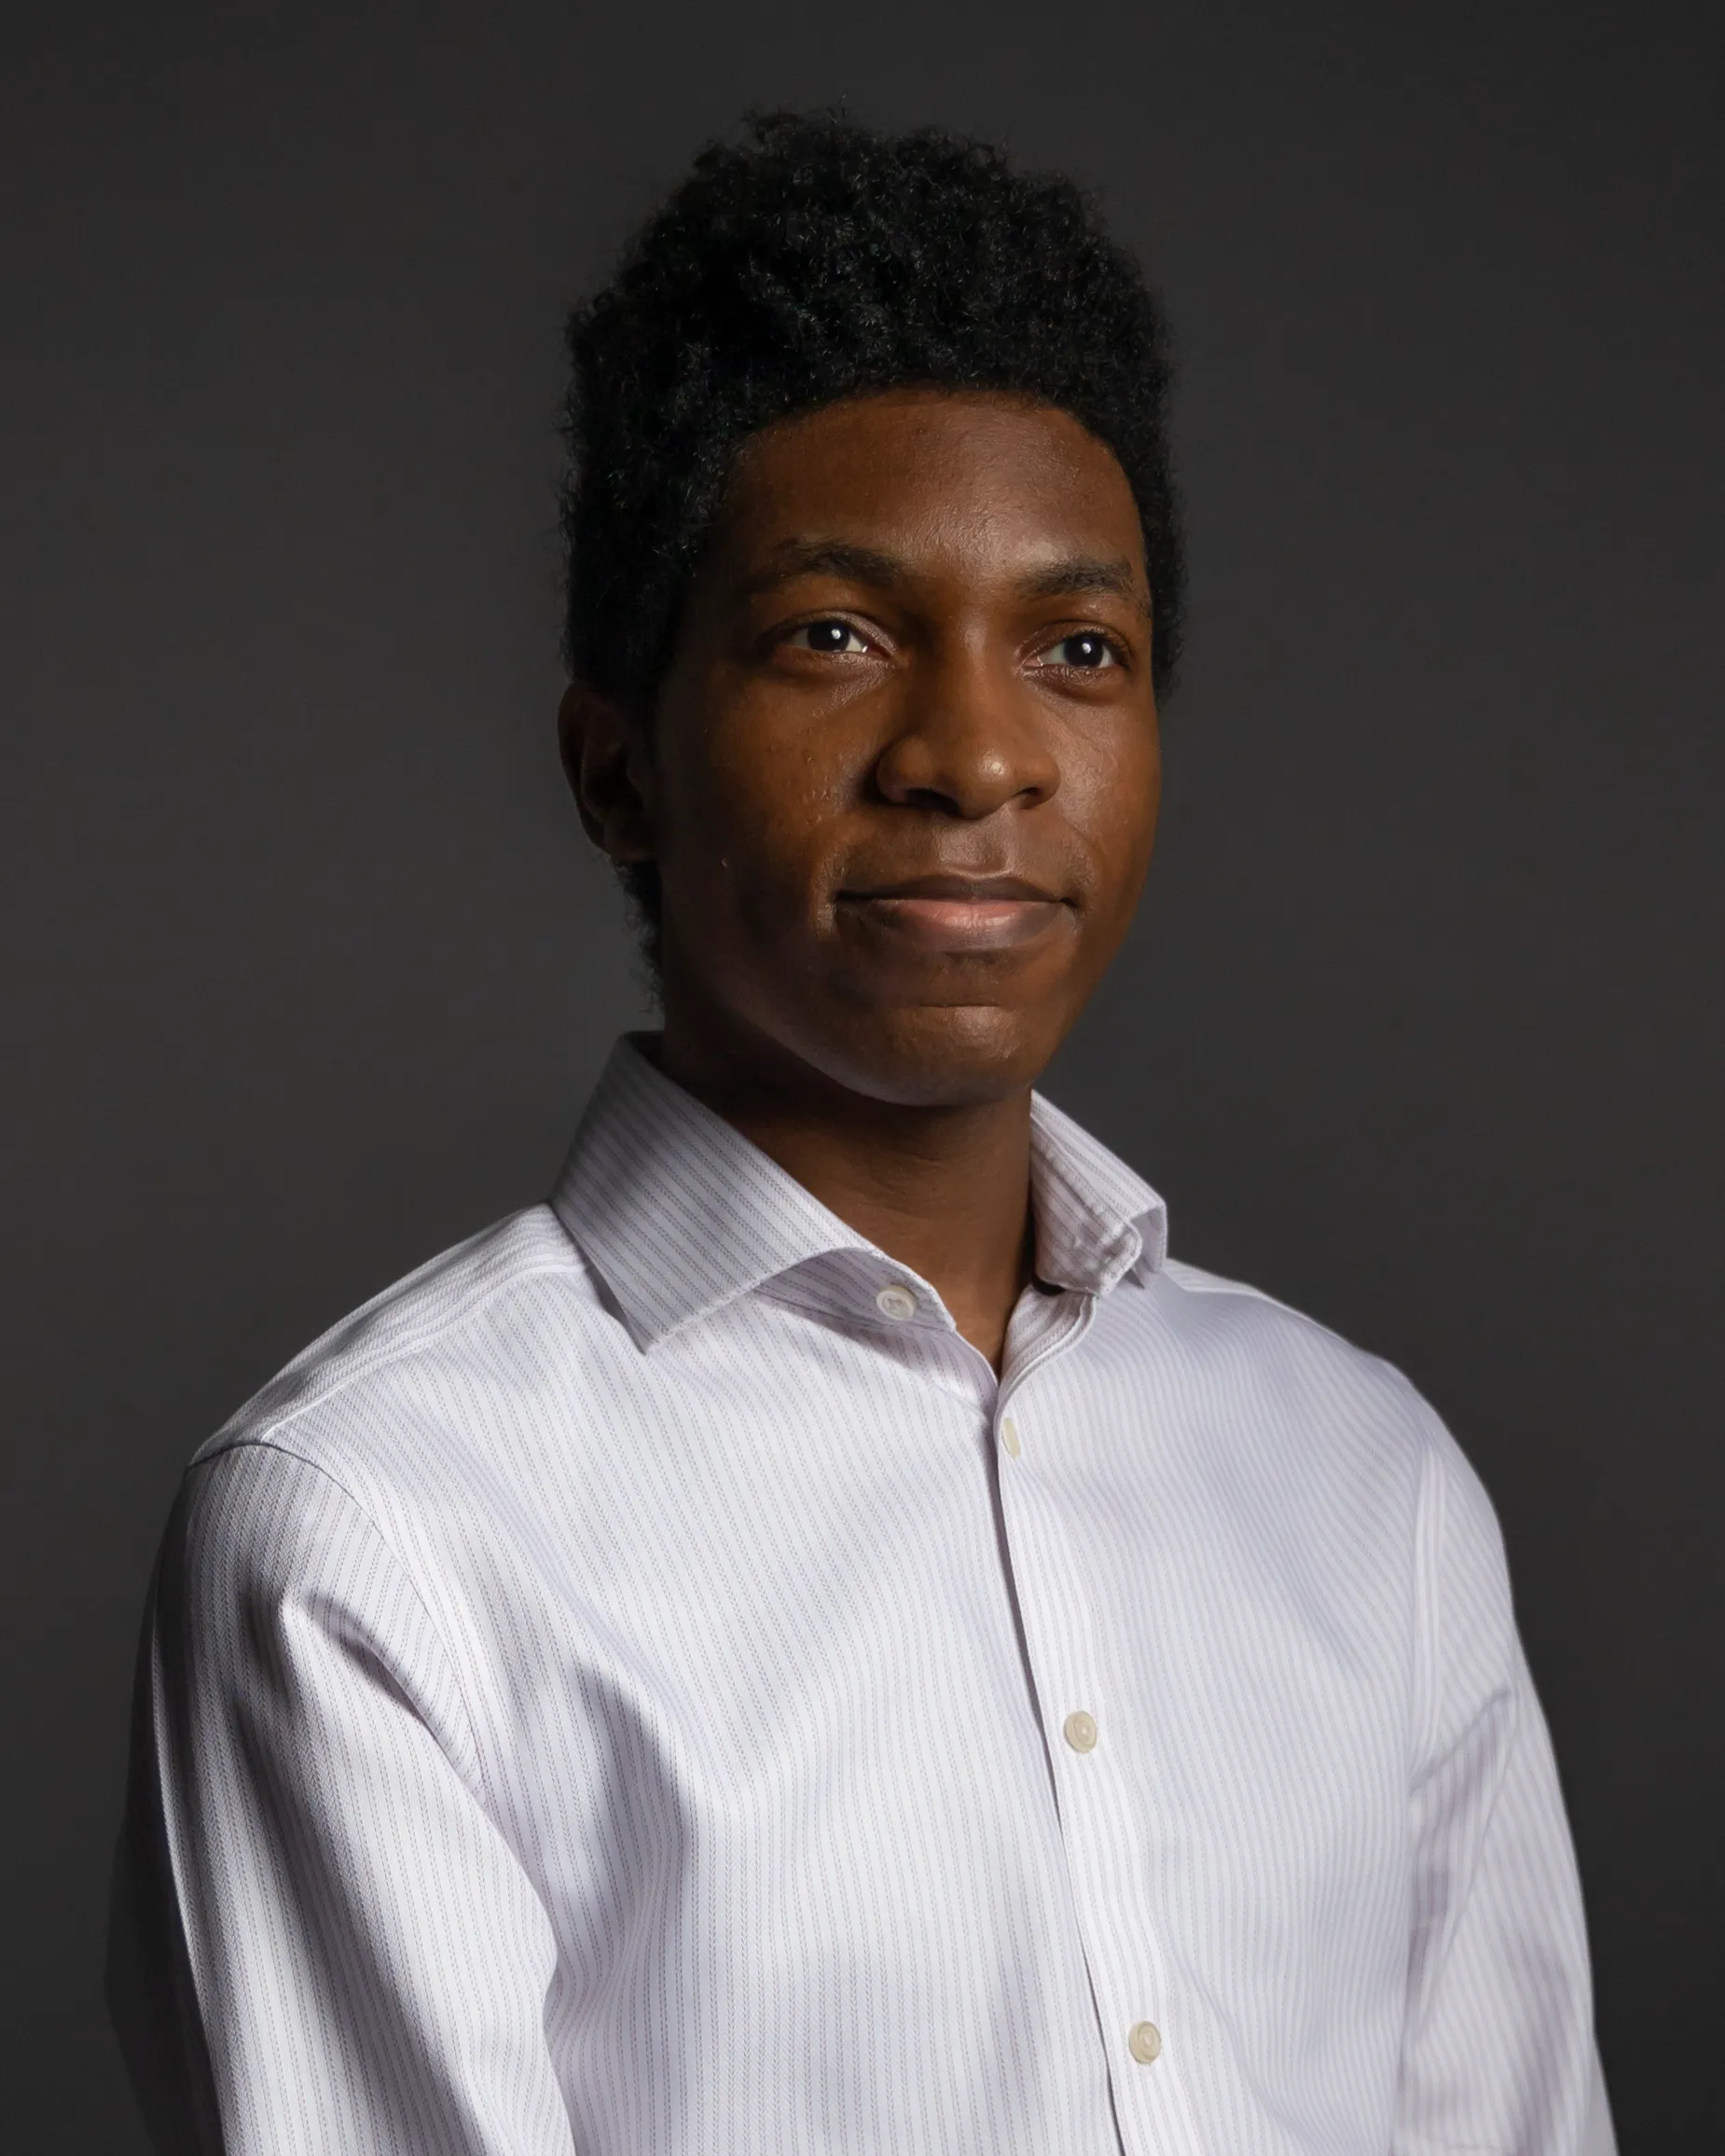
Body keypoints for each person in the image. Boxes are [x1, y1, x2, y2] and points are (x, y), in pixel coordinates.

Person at [107, 111, 1615, 2156]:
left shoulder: (1368, 1482)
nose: (979, 753)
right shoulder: (376, 1541)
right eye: (834, 633)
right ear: (615, 766)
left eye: (1079, 650)